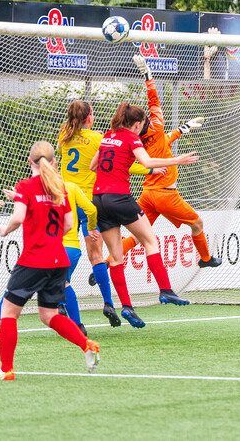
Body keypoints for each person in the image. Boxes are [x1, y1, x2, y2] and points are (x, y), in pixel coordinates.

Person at [0, 141, 99, 381]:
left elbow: (18, 217)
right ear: (54, 161)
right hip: (59, 260)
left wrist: (6, 229)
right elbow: (68, 224)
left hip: (34, 260)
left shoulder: (26, 186)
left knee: (8, 313)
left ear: (29, 161)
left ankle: (6, 370)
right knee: (49, 315)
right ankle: (86, 345)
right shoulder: (59, 189)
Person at [105, 55, 222, 271]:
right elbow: (154, 99)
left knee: (141, 235)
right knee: (197, 224)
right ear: (142, 121)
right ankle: (205, 258)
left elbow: (162, 142)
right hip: (166, 194)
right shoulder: (157, 124)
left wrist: (183, 129)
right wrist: (147, 74)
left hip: (148, 194)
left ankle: (107, 263)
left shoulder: (133, 138)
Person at [57, 99, 166, 327]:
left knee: (64, 249)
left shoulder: (63, 135)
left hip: (64, 199)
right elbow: (123, 163)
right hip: (88, 202)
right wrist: (152, 168)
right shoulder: (99, 138)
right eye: (92, 114)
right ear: (89, 117)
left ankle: (60, 290)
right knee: (96, 256)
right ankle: (108, 303)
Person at [91, 101, 198, 328]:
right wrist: (176, 160)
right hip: (119, 197)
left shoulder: (108, 135)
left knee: (117, 257)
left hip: (99, 200)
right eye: (141, 125)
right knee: (150, 240)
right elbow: (147, 161)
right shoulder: (131, 137)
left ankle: (127, 306)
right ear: (137, 124)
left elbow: (93, 166)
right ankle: (166, 290)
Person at [0, 180, 100, 338]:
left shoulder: (35, 188)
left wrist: (18, 198)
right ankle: (78, 327)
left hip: (45, 248)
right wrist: (92, 227)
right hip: (70, 248)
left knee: (18, 287)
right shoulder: (70, 187)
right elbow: (91, 209)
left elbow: (28, 211)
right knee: (64, 285)